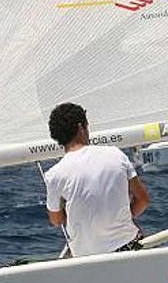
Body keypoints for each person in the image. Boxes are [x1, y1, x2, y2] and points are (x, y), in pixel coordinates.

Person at [44, 103, 150, 256]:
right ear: (81, 127)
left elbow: (56, 219)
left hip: (86, 257)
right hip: (127, 248)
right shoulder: (116, 154)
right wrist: (117, 219)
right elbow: (143, 199)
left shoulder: (54, 175)